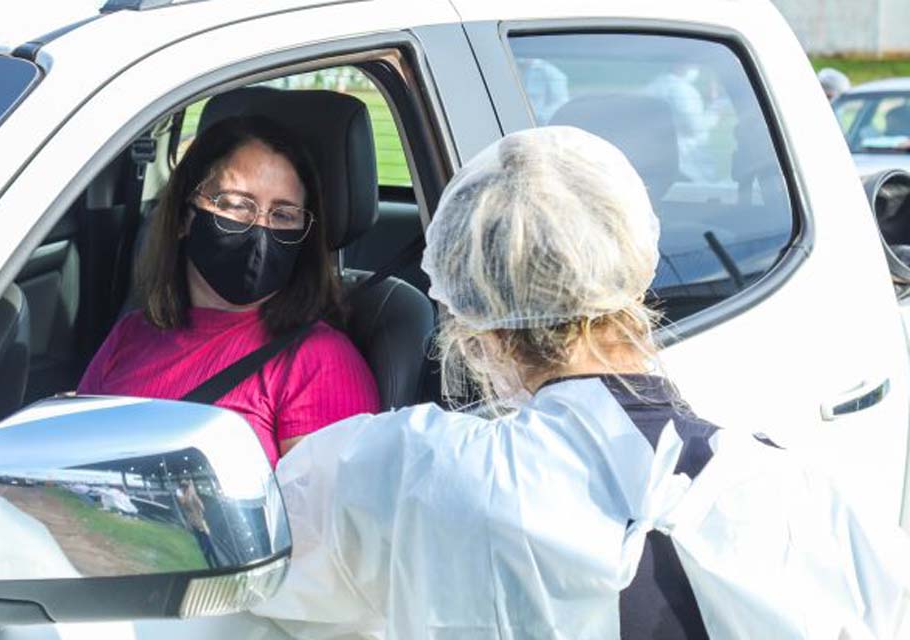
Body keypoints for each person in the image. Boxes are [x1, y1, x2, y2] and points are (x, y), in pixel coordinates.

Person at [254, 127, 910, 639]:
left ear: (470, 320)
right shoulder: (807, 501)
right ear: (633, 274)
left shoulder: (399, 474)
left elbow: (255, 568)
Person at [78, 115, 380, 466]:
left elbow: (324, 516)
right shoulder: (131, 334)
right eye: (237, 204)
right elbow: (72, 454)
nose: (261, 229)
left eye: (283, 215)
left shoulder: (320, 362)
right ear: (183, 217)